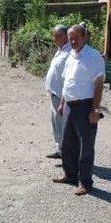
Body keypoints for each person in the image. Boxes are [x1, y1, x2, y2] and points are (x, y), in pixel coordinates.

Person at [54, 24, 105, 195]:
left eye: (76, 37)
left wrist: (95, 109)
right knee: (68, 143)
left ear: (85, 37)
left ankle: (85, 182)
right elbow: (67, 82)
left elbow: (98, 85)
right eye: (70, 38)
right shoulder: (70, 55)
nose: (73, 41)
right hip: (69, 105)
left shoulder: (93, 56)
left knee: (85, 146)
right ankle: (70, 175)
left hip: (85, 106)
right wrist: (62, 102)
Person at [44, 24, 71, 159]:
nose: (53, 39)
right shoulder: (61, 49)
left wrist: (63, 100)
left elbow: (68, 79)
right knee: (56, 124)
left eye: (56, 36)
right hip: (54, 94)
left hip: (61, 96)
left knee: (63, 126)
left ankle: (66, 154)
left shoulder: (69, 53)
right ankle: (59, 150)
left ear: (64, 36)